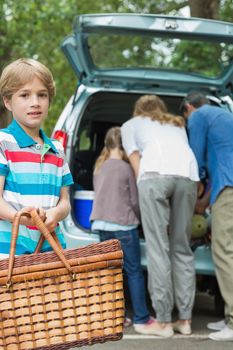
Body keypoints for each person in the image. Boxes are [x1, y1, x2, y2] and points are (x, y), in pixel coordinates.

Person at [121, 95, 199, 337]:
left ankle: (164, 322)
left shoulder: (130, 125)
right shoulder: (177, 123)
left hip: (154, 174)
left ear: (138, 109)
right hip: (187, 176)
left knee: (157, 248)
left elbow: (136, 163)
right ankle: (185, 320)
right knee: (182, 248)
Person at [0, 58, 73, 257]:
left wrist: (55, 214)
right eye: (24, 95)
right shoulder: (3, 142)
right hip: (9, 255)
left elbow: (65, 201)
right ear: (8, 102)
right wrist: (26, 219)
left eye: (42, 95)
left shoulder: (57, 149)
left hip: (51, 252)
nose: (35, 103)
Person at [90, 126, 160, 336]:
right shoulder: (127, 168)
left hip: (102, 226)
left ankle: (114, 317)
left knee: (110, 273)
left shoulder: (98, 166)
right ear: (126, 145)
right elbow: (134, 200)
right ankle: (141, 317)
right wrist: (141, 219)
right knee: (133, 272)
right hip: (123, 226)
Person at [181, 91, 233, 341]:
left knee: (223, 251)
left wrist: (193, 193)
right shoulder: (223, 114)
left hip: (229, 188)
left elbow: (195, 157)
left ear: (189, 108)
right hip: (227, 186)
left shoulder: (199, 116)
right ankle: (228, 315)